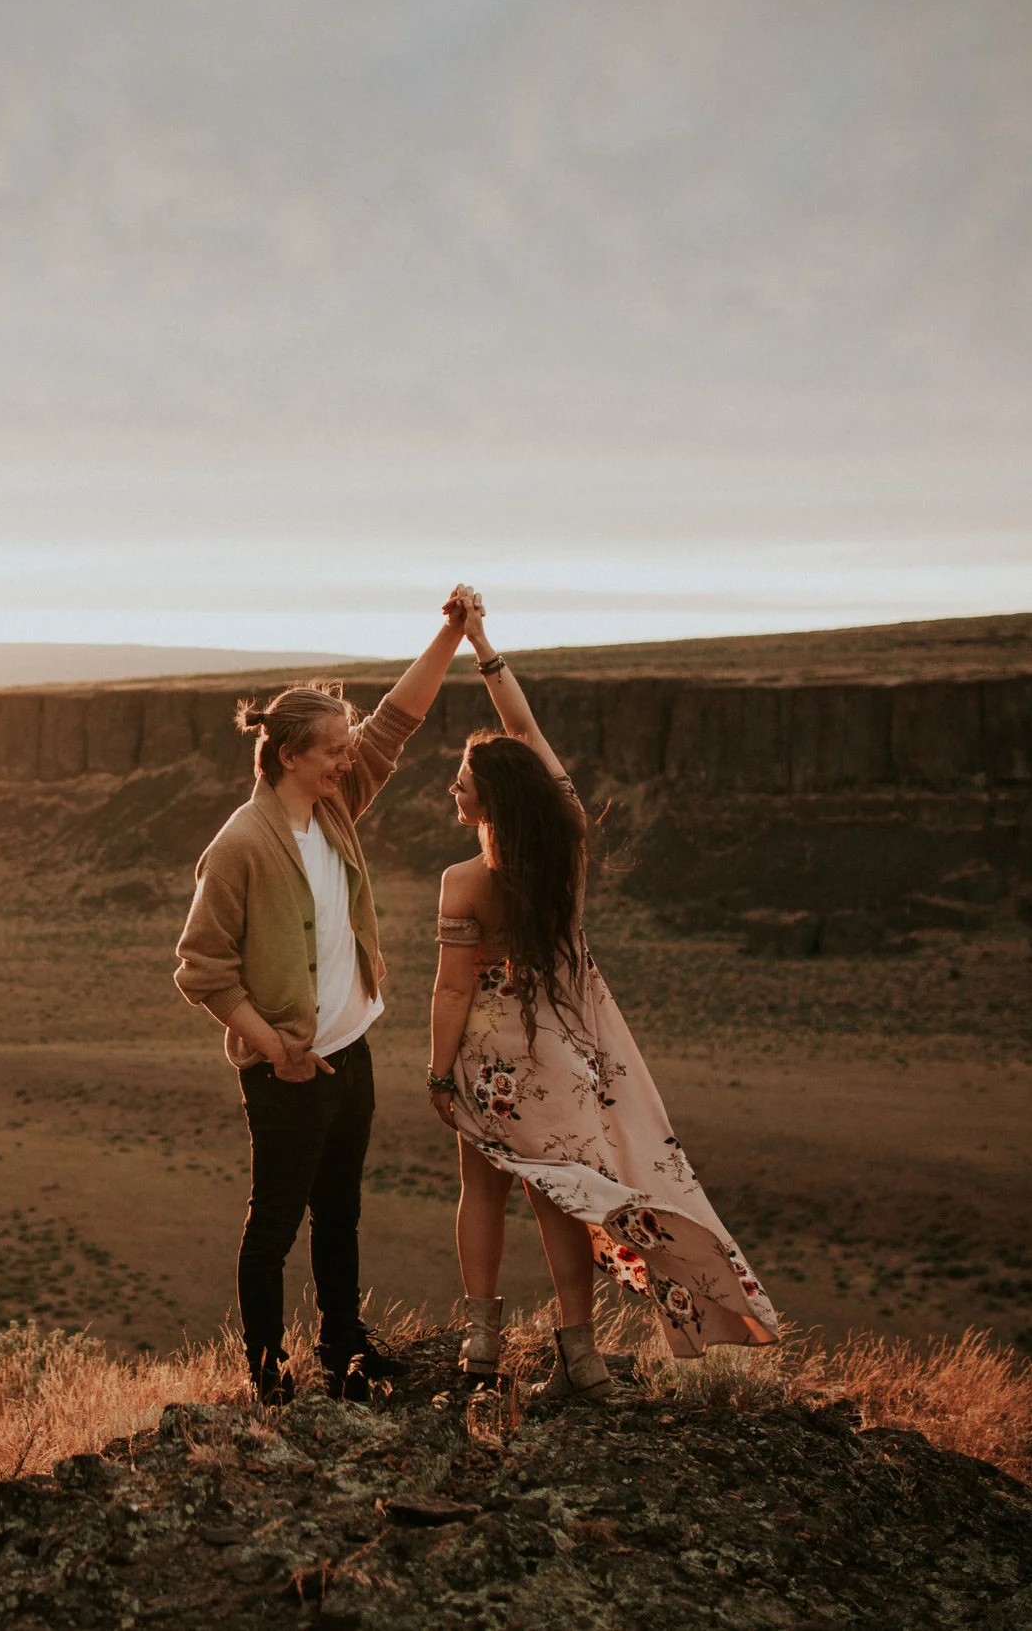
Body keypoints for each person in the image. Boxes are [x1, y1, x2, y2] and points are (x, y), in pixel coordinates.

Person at [428, 594, 783, 1398]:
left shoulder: (461, 882)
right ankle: (580, 1356)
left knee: (480, 1188)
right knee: (562, 1200)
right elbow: (526, 733)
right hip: (564, 1053)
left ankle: (481, 1341)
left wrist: (439, 1073)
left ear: (491, 800)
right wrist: (482, 644)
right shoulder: (569, 847)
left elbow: (452, 988)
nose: (452, 790)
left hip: (488, 1057)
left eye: (462, 782)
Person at [175, 587, 475, 1402]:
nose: (349, 757)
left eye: (347, 747)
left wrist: (450, 635)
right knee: (274, 1223)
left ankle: (343, 1346)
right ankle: (268, 1377)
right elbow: (201, 967)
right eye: (333, 749)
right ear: (288, 756)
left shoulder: (334, 808)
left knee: (339, 1210)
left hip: (351, 1050)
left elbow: (397, 720)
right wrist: (276, 1049)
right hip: (288, 1069)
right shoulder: (240, 845)